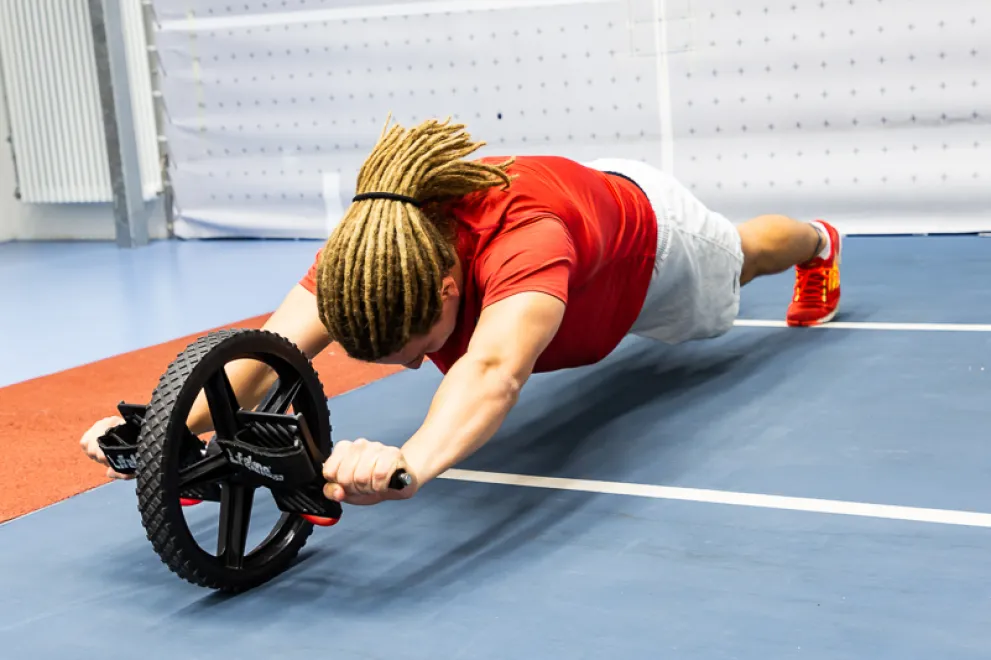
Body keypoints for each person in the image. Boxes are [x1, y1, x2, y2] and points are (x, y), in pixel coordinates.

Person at [80, 116, 841, 509]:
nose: (413, 365)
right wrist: (161, 432)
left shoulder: (524, 245)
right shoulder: (371, 259)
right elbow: (270, 351)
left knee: (742, 257)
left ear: (449, 291)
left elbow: (493, 368)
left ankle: (818, 241)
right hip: (579, 237)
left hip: (651, 252)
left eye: (415, 349)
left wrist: (411, 460)